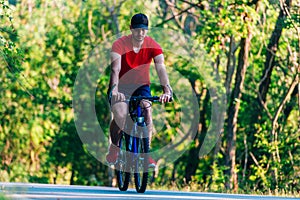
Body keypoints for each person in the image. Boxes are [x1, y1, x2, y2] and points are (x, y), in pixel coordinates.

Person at [106, 13, 172, 168]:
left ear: (147, 30)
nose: (140, 33)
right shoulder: (119, 44)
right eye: (137, 30)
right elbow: (115, 69)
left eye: (143, 30)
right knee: (121, 115)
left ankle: (146, 153)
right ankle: (114, 148)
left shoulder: (153, 45)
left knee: (147, 110)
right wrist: (114, 90)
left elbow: (161, 69)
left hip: (142, 87)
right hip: (120, 86)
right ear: (131, 29)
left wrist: (167, 91)